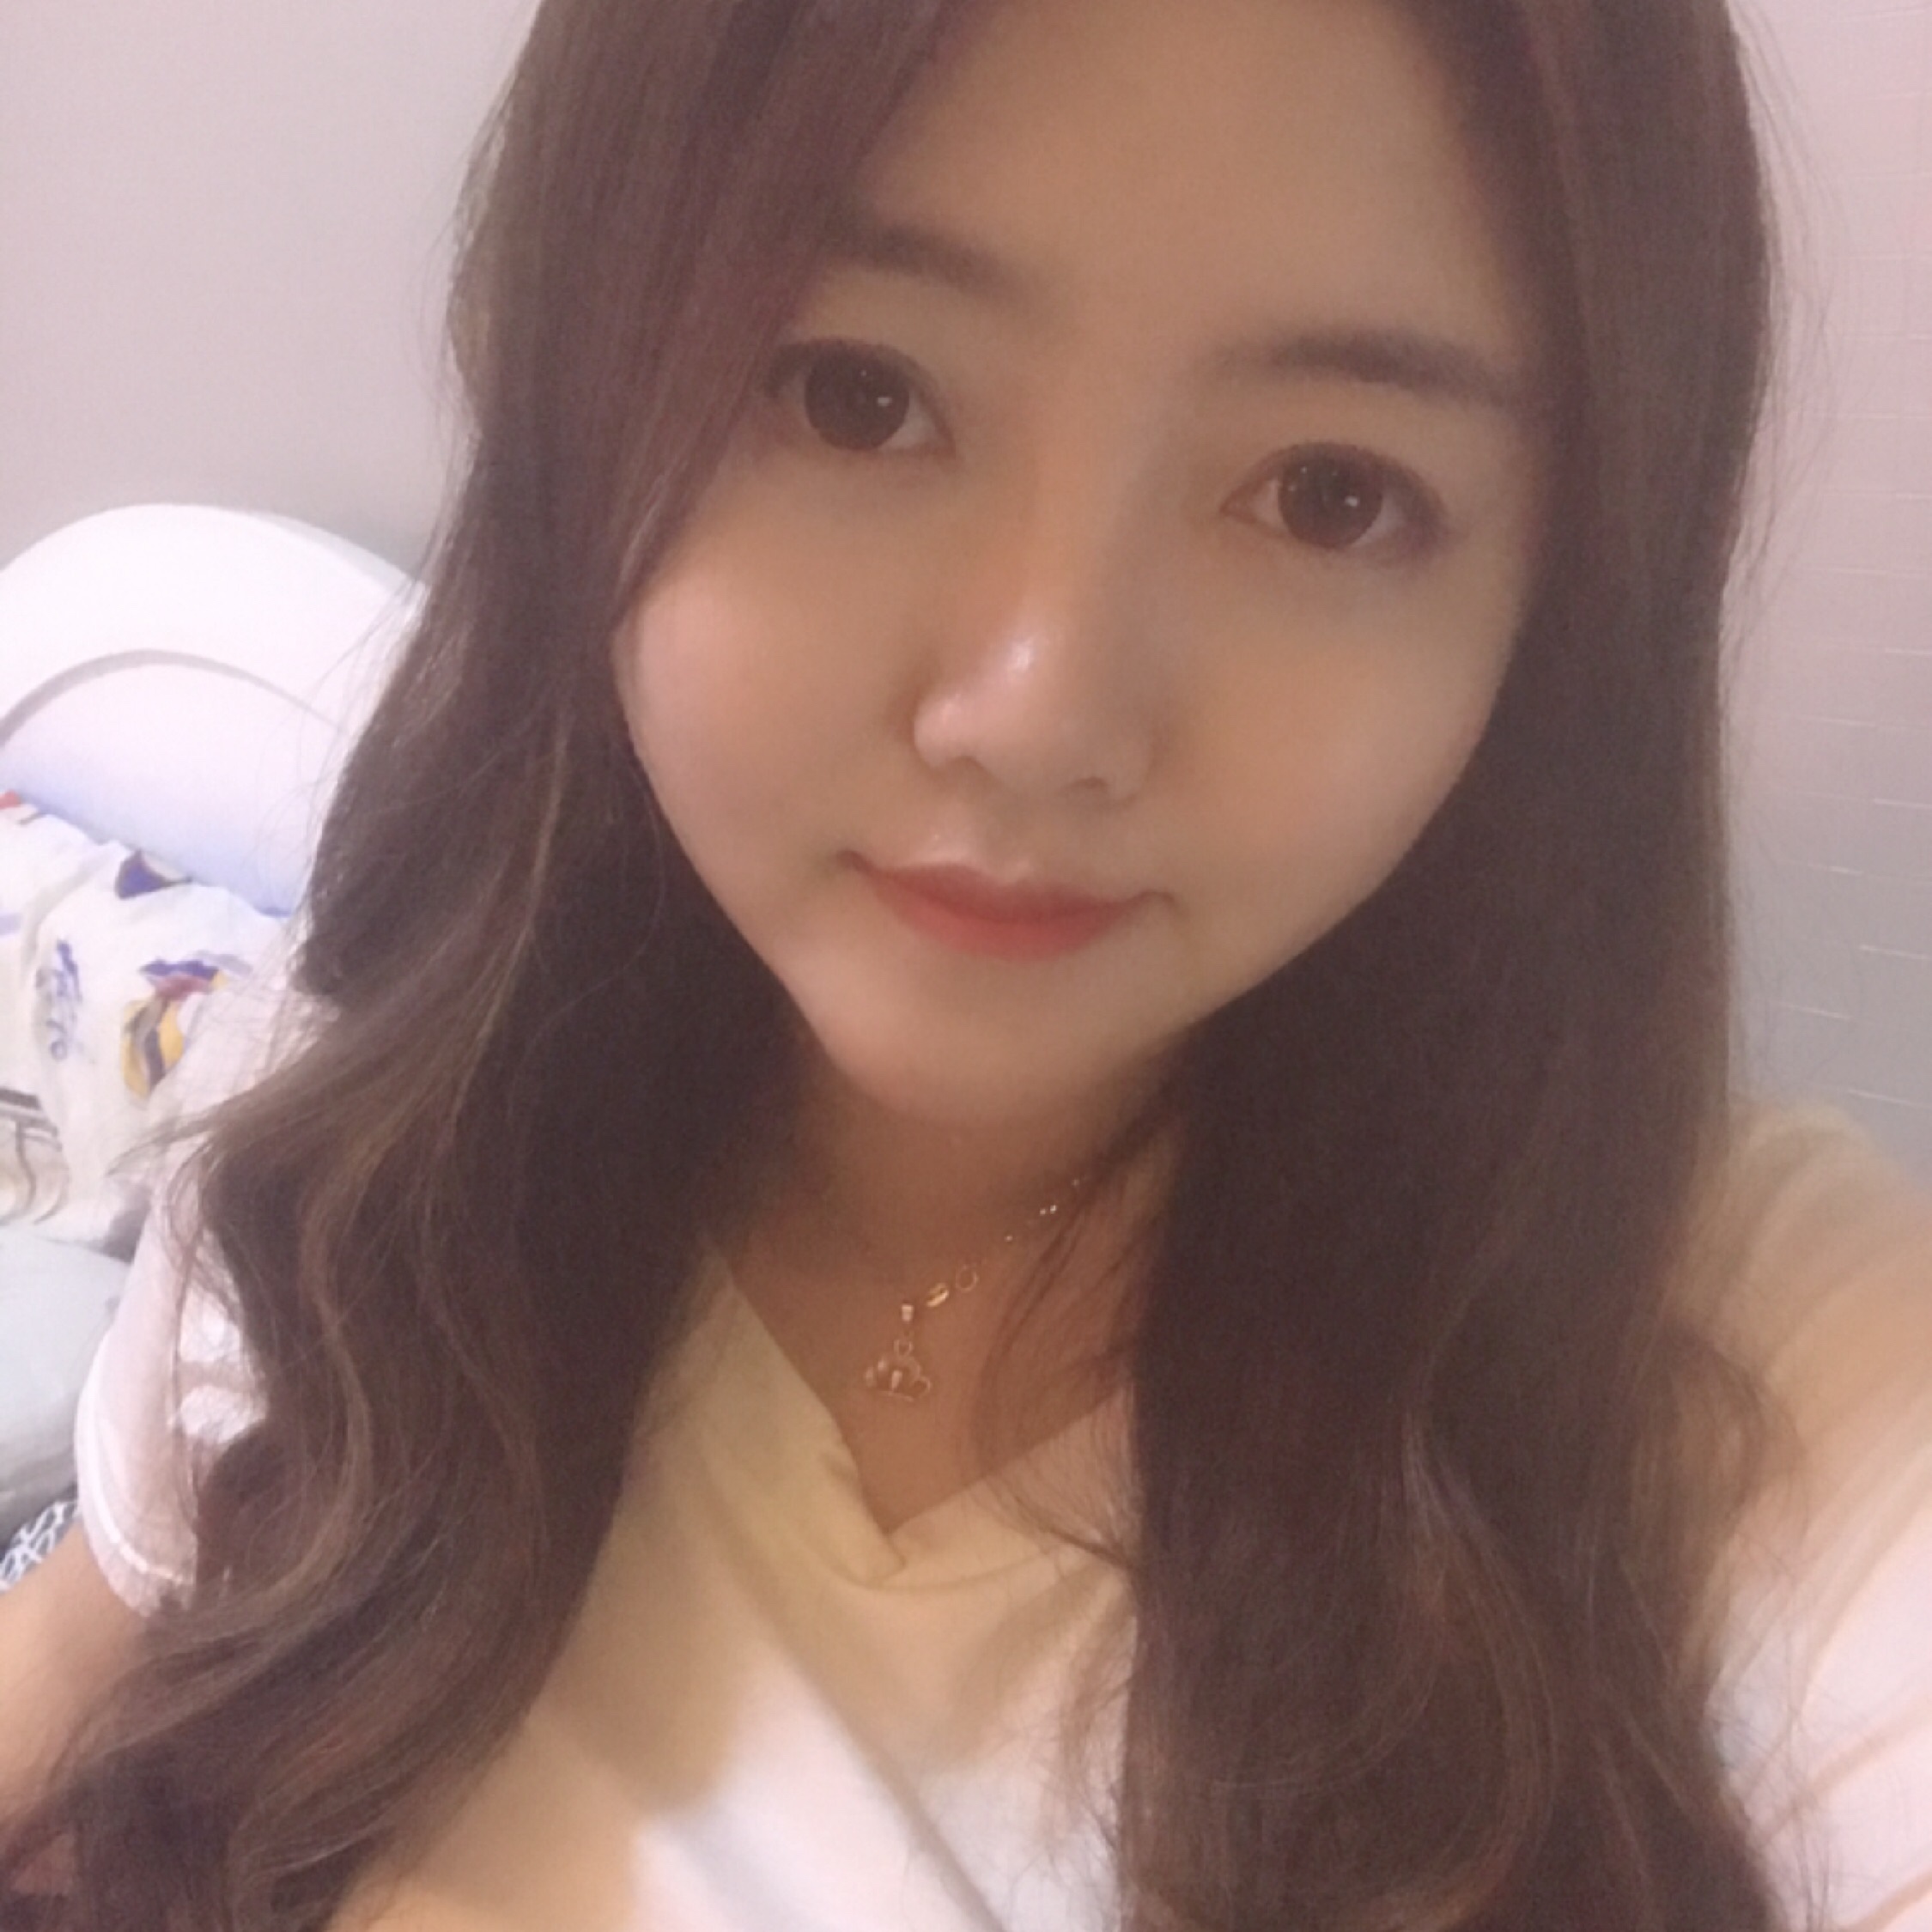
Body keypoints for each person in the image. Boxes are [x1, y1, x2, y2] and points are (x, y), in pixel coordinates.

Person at [2, 0, 1929, 1925]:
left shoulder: (1758, 1387)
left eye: (1329, 493)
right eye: (856, 393)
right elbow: (96, 1677)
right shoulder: (381, 1155)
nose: (1040, 713)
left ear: (1552, 610)